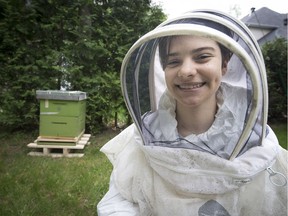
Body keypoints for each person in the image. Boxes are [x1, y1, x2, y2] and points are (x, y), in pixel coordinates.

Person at [97, 10, 287, 216]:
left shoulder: (255, 142)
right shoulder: (142, 137)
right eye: (174, 61)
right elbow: (120, 202)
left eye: (202, 57)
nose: (186, 71)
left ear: (224, 64)